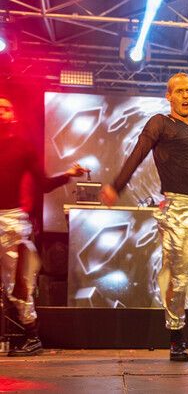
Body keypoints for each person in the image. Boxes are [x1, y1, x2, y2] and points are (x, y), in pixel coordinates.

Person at [101, 73, 188, 364]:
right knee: (179, 278)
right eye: (180, 91)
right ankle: (176, 338)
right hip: (177, 210)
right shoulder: (160, 123)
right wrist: (116, 185)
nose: (186, 96)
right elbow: (138, 153)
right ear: (169, 96)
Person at [0, 97, 87, 356]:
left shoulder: (23, 147)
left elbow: (44, 184)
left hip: (12, 221)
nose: (0, 112)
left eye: (5, 108)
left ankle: (32, 335)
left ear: (12, 116)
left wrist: (69, 175)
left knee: (17, 284)